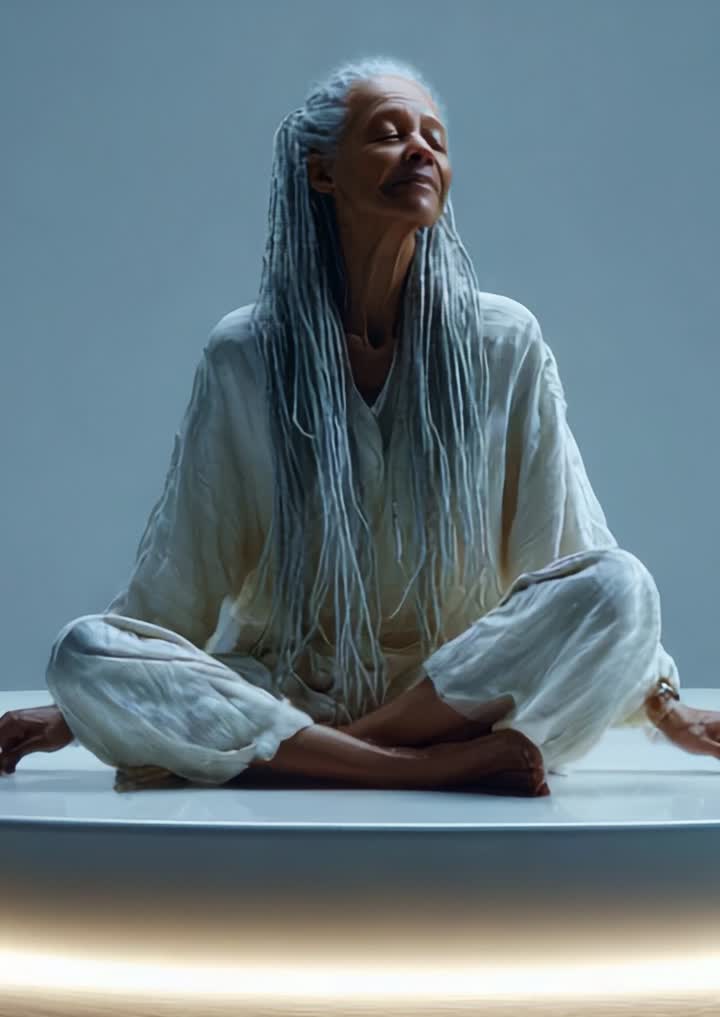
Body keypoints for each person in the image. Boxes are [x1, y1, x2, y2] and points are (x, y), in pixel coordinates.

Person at [2, 56, 718, 797]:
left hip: (464, 696)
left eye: (434, 138)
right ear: (321, 173)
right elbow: (178, 576)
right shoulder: (245, 356)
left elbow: (572, 548)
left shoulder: (505, 343)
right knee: (82, 651)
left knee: (622, 586)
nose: (422, 150)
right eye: (388, 133)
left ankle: (317, 759)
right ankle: (422, 771)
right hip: (293, 688)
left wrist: (664, 706)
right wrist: (78, 706)